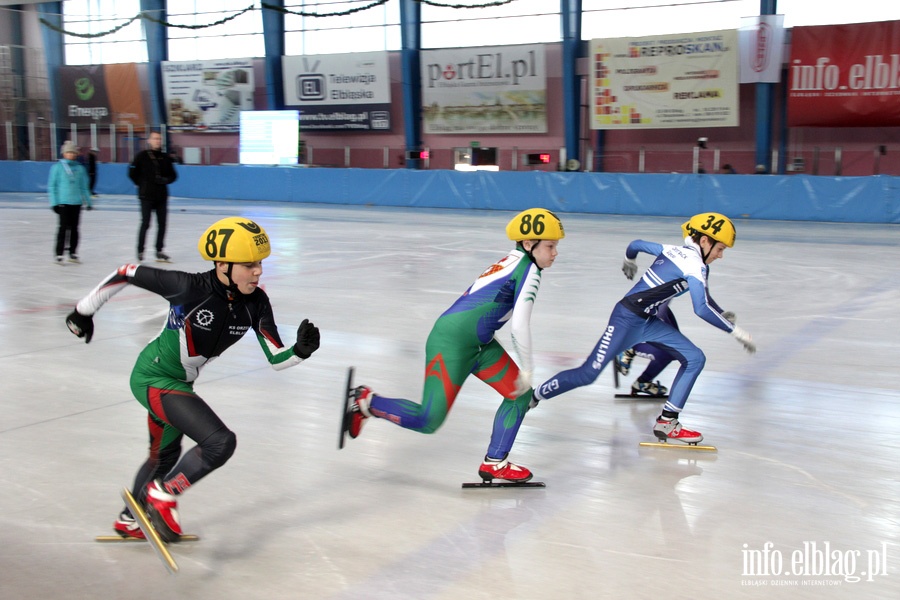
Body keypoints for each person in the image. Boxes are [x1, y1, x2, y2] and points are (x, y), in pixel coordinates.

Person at [64, 217, 320, 541]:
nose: (257, 271)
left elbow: (275, 358)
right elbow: (126, 272)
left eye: (259, 264)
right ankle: (163, 494)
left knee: (164, 456)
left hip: (179, 385)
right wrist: (82, 312)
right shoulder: (188, 287)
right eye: (248, 264)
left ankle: (131, 519)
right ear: (222, 264)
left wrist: (300, 350)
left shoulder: (256, 303)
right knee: (219, 442)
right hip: (153, 378)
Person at [343, 208, 565, 483]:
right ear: (530, 244)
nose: (555, 253)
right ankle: (366, 402)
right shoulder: (528, 270)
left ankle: (495, 463)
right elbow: (519, 325)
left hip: (479, 345)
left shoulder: (514, 260)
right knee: (428, 420)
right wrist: (528, 368)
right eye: (551, 246)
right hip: (451, 344)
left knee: (520, 395)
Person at [532, 212, 756, 445]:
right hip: (625, 320)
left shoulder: (672, 250)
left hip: (648, 322)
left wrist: (630, 260)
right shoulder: (694, 264)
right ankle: (535, 395)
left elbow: (635, 245)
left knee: (695, 358)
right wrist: (735, 331)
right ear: (704, 241)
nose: (720, 256)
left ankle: (667, 421)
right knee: (588, 374)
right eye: (720, 249)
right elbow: (700, 308)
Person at [614, 303, 683, 397]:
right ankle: (630, 348)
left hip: (655, 305)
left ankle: (643, 382)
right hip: (648, 306)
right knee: (671, 351)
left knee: (675, 350)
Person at [129, 131, 177, 262]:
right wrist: (142, 184)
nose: (157, 141)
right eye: (155, 139)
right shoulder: (142, 156)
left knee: (162, 224)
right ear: (149, 141)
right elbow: (131, 172)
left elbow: (174, 175)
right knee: (145, 223)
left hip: (161, 196)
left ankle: (159, 250)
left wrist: (165, 180)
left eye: (159, 139)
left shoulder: (165, 157)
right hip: (146, 196)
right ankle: (140, 250)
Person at [48, 140, 92, 265]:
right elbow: (52, 187)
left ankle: (73, 252)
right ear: (63, 153)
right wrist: (54, 203)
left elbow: (84, 186)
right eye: (68, 152)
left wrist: (88, 202)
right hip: (63, 203)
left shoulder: (80, 169)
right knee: (63, 228)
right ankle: (59, 254)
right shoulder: (57, 168)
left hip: (76, 203)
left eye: (73, 152)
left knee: (74, 229)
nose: (71, 155)